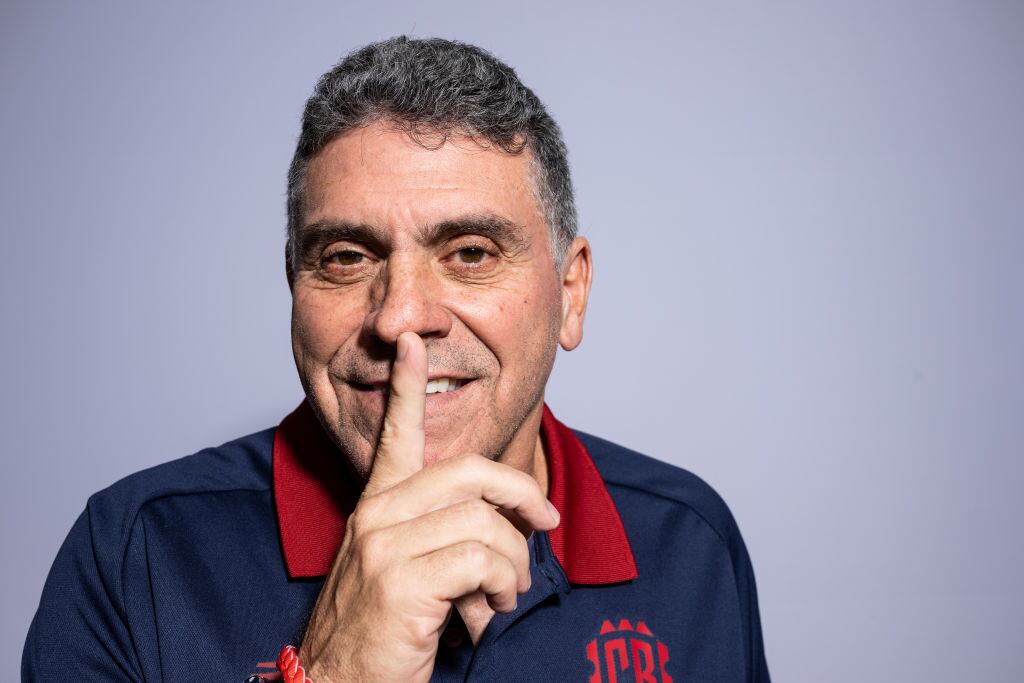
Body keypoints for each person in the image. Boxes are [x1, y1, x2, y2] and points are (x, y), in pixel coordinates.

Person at [23, 36, 770, 682]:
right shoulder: (134, 557)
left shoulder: (691, 544)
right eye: (346, 257)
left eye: (470, 252)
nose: (400, 317)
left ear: (570, 292)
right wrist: (334, 669)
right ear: (294, 284)